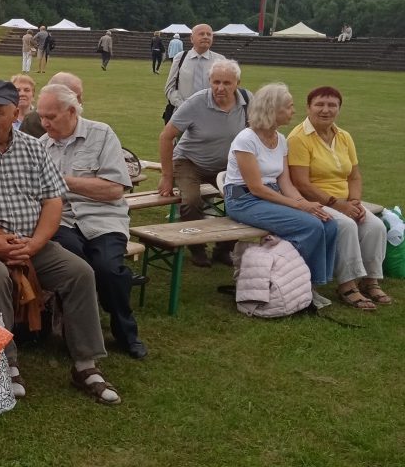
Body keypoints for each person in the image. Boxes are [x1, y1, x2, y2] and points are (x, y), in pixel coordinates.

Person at [0, 80, 120, 404]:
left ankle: (85, 364)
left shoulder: (33, 148)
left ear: (15, 112)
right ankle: (7, 362)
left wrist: (37, 243)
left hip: (31, 242)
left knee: (80, 272)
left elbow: (53, 201)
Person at [38, 84, 145, 358]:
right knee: (75, 268)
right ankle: (77, 334)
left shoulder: (101, 134)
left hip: (104, 218)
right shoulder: (40, 146)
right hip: (61, 220)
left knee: (108, 269)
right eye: (41, 116)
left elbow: (114, 190)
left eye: (51, 116)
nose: (44, 123)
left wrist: (62, 182)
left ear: (72, 111)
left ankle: (125, 331)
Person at [222, 83, 338, 302]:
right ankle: (296, 282)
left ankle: (311, 281)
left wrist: (308, 204)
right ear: (272, 109)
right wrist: (301, 206)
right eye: (289, 106)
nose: (293, 111)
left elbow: (285, 183)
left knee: (328, 222)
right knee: (310, 225)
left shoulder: (281, 139)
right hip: (244, 200)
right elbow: (256, 187)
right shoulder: (246, 139)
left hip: (269, 195)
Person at [288, 86, 391, 308]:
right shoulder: (298, 137)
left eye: (332, 105)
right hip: (315, 203)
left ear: (339, 109)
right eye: (320, 104)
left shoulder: (344, 136)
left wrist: (354, 202)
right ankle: (347, 285)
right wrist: (338, 205)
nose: (326, 110)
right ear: (308, 107)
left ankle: (370, 281)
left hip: (345, 201)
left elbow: (354, 175)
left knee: (376, 226)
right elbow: (301, 183)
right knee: (346, 226)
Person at [157, 60, 249, 267]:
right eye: (216, 82)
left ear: (238, 83)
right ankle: (197, 248)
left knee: (242, 202)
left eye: (227, 83)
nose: (220, 88)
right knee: (191, 201)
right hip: (190, 161)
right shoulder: (195, 103)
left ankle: (223, 249)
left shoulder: (247, 101)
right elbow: (166, 136)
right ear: (209, 81)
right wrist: (166, 176)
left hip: (226, 166)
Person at [165, 24, 226, 115]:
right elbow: (170, 88)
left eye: (209, 34)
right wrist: (182, 105)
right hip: (183, 114)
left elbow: (227, 88)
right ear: (192, 38)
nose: (205, 37)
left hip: (211, 114)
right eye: (201, 34)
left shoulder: (221, 60)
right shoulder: (180, 58)